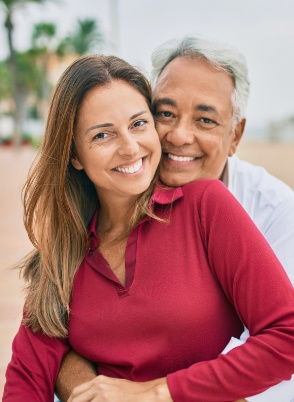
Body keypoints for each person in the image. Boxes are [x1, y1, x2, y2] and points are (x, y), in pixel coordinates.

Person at [3, 54, 294, 402]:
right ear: (75, 155)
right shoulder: (64, 253)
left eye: (139, 124)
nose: (130, 148)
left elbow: (287, 337)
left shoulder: (206, 206)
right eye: (102, 135)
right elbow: (26, 380)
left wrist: (157, 391)